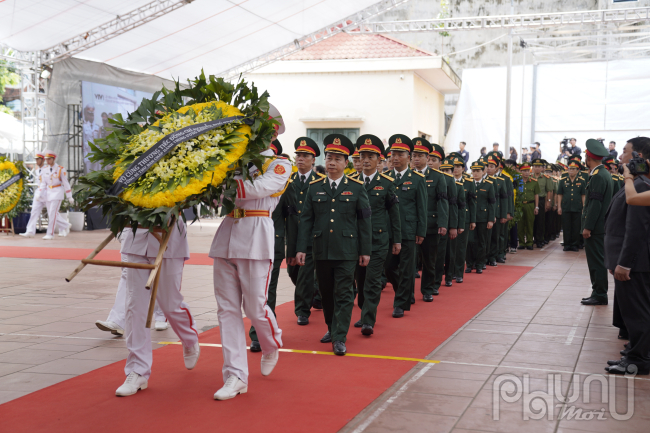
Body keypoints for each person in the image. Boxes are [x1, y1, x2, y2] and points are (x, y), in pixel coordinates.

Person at [210, 123, 291, 399]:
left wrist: (218, 180)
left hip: (256, 237)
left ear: (271, 134)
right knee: (227, 310)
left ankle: (270, 343)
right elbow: (215, 199)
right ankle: (235, 375)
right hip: (227, 235)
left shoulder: (279, 164)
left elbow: (256, 190)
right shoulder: (231, 160)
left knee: (256, 308)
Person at [295, 134, 372, 355]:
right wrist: (301, 248)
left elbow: (364, 221)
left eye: (338, 159)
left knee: (345, 293)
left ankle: (340, 336)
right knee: (326, 294)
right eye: (329, 157)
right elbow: (306, 220)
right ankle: (332, 327)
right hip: (321, 250)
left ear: (346, 163)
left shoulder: (357, 188)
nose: (332, 162)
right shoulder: (314, 187)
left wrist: (365, 250)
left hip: (347, 250)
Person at [114, 220, 200, 397]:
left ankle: (189, 337)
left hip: (168, 237)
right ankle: (137, 370)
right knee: (134, 306)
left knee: (170, 305)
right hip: (136, 237)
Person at [604, 136, 650, 375]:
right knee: (633, 311)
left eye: (625, 151)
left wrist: (624, 263)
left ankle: (638, 360)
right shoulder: (636, 182)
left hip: (635, 263)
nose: (620, 156)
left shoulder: (640, 185)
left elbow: (635, 230)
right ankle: (636, 349)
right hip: (631, 260)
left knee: (637, 312)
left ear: (638, 157)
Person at [248, 141, 298, 352]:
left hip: (272, 243)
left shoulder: (281, 179)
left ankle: (260, 333)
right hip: (247, 240)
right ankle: (261, 329)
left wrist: (293, 249)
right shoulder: (246, 174)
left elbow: (292, 217)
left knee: (267, 290)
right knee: (251, 291)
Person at [352, 135, 401, 335]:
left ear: (379, 160)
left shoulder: (387, 183)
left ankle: (368, 320)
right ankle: (365, 310)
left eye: (370, 156)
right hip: (355, 240)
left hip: (378, 239)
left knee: (372, 280)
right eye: (363, 156)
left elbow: (394, 213)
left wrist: (396, 239)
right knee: (360, 279)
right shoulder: (352, 182)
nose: (365, 160)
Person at [383, 135, 426, 317]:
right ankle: (405, 291)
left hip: (409, 230)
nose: (395, 158)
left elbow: (421, 207)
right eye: (393, 154)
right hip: (389, 230)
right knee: (388, 266)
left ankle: (400, 303)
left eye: (400, 154)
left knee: (407, 267)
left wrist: (421, 231)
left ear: (408, 157)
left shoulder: (417, 179)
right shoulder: (385, 178)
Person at [289, 138, 325, 325]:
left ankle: (302, 310)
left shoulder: (320, 182)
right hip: (292, 234)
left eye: (305, 156)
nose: (300, 159)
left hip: (312, 235)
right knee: (292, 271)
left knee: (304, 273)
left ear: (313, 160)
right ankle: (315, 291)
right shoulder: (288, 181)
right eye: (299, 155)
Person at [411, 140, 447, 300]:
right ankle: (407, 293)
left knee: (429, 259)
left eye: (420, 156)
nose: (416, 159)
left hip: (430, 225)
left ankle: (427, 289)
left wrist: (443, 223)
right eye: (414, 156)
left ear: (427, 157)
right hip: (410, 224)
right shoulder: (408, 175)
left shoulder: (437, 177)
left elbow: (442, 201)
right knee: (408, 262)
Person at [580, 139, 613, 306]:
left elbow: (595, 204)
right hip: (600, 226)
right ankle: (598, 291)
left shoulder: (598, 176)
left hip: (596, 227)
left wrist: (587, 226)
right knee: (597, 260)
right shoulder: (602, 173)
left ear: (588, 158)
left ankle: (600, 293)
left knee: (596, 261)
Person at [465, 161, 495, 273]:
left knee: (482, 242)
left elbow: (492, 203)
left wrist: (491, 219)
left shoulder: (488, 184)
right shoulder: (467, 183)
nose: (475, 173)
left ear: (483, 172)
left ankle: (479, 264)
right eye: (474, 171)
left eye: (478, 171)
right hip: (470, 217)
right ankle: (469, 263)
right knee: (469, 241)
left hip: (483, 217)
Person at [442, 155, 466, 286]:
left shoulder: (458, 186)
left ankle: (450, 276)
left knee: (451, 252)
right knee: (439, 253)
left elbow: (460, 207)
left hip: (451, 222)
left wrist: (458, 225)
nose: (446, 174)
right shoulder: (436, 183)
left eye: (448, 171)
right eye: (443, 171)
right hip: (439, 222)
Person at [39, 150, 73, 240]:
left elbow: (66, 183)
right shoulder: (45, 169)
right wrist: (40, 193)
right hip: (48, 192)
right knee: (52, 213)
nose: (47, 161)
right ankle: (65, 225)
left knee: (53, 213)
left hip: (57, 192)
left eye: (49, 159)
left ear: (53, 159)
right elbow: (43, 183)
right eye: (46, 159)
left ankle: (50, 233)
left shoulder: (60, 169)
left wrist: (69, 196)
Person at [454, 156, 476, 281]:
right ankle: (450, 272)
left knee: (461, 247)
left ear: (463, 169)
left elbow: (472, 203)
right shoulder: (447, 180)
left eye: (458, 167)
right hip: (450, 217)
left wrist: (472, 220)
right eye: (454, 167)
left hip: (464, 218)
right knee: (451, 248)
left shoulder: (468, 182)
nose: (456, 169)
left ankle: (459, 273)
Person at [556, 161, 585, 251]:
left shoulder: (581, 181)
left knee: (576, 227)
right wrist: (559, 207)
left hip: (577, 207)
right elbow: (560, 194)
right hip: (566, 207)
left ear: (577, 171)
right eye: (570, 169)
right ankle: (567, 244)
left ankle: (575, 244)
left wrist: (584, 207)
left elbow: (583, 195)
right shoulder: (563, 180)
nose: (571, 171)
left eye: (573, 169)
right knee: (566, 226)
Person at [19, 151, 47, 238]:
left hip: (46, 193)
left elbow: (45, 183)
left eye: (38, 159)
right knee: (34, 212)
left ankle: (64, 225)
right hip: (39, 192)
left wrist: (40, 192)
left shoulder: (46, 169)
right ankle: (30, 231)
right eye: (36, 159)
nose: (36, 161)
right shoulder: (38, 170)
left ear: (42, 160)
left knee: (53, 213)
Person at [485, 155, 506, 267]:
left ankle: (492, 257)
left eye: (492, 166)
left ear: (497, 168)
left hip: (496, 213)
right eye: (487, 166)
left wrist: (503, 215)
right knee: (485, 237)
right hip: (484, 213)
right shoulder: (482, 180)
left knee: (494, 236)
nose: (489, 168)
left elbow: (503, 200)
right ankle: (484, 257)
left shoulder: (500, 181)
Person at [517, 163, 539, 250]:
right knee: (520, 225)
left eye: (528, 171)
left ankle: (530, 242)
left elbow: (536, 195)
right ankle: (522, 242)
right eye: (524, 171)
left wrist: (536, 207)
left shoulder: (534, 182)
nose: (526, 173)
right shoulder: (517, 182)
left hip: (530, 205)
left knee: (530, 224)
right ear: (520, 171)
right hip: (520, 205)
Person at [531, 158, 552, 248]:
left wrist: (548, 202)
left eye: (539, 166)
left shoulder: (545, 178)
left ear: (542, 168)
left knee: (540, 221)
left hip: (541, 200)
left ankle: (540, 239)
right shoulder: (530, 177)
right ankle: (532, 239)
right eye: (535, 166)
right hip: (531, 201)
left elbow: (549, 191)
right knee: (531, 221)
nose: (537, 168)